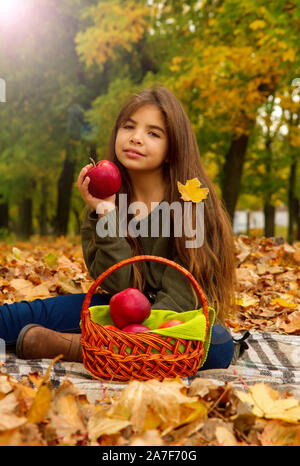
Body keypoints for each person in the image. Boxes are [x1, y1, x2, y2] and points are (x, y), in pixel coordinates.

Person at [0, 86, 243, 368]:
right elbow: (117, 286)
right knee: (16, 318)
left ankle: (87, 348)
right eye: (129, 126)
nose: (136, 138)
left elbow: (181, 299)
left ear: (171, 148)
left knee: (218, 344)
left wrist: (131, 336)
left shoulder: (194, 204)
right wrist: (106, 212)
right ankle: (102, 347)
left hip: (177, 322)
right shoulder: (106, 202)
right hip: (118, 311)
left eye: (153, 133)